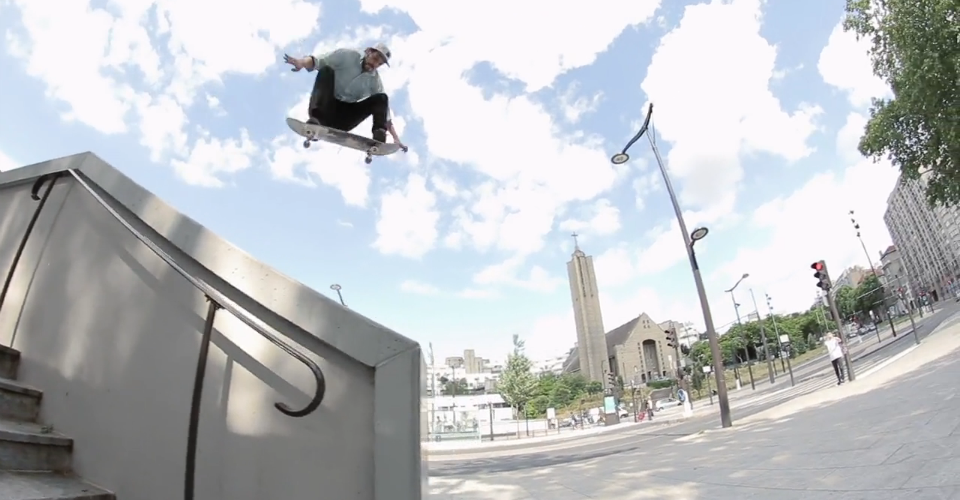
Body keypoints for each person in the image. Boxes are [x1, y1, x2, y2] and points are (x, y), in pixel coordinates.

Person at [283, 43, 407, 151]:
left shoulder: (374, 81)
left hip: (344, 119)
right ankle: (316, 122)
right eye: (375, 59)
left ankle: (379, 137)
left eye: (379, 64)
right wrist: (301, 62)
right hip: (324, 109)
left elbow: (385, 114)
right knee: (326, 70)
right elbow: (318, 61)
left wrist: (396, 138)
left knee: (382, 98)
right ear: (368, 52)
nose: (374, 64)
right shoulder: (348, 55)